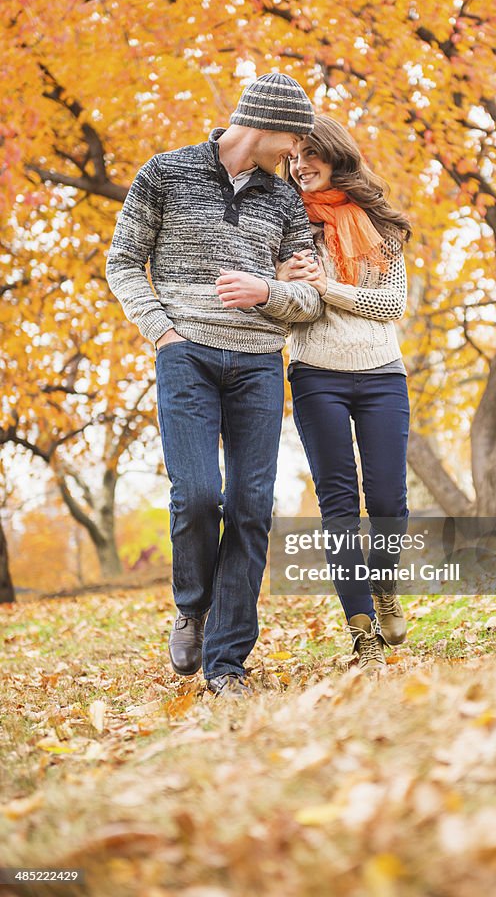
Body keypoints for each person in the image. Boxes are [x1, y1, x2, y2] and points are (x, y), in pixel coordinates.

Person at [106, 72, 323, 700]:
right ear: (263, 123)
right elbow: (123, 261)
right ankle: (191, 608)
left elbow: (305, 298)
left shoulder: (283, 201)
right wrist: (162, 332)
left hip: (258, 361)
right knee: (198, 494)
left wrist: (273, 290)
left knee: (252, 508)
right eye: (292, 139)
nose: (295, 154)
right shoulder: (165, 173)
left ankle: (227, 665)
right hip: (186, 356)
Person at [277, 115, 411, 672]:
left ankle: (385, 591)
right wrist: (283, 282)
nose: (301, 165)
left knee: (386, 499)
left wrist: (325, 285)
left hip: (382, 372)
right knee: (338, 503)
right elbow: (285, 306)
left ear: (335, 156)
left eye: (311, 154)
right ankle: (361, 630)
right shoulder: (285, 223)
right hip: (316, 374)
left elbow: (391, 306)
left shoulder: (378, 226)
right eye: (294, 157)